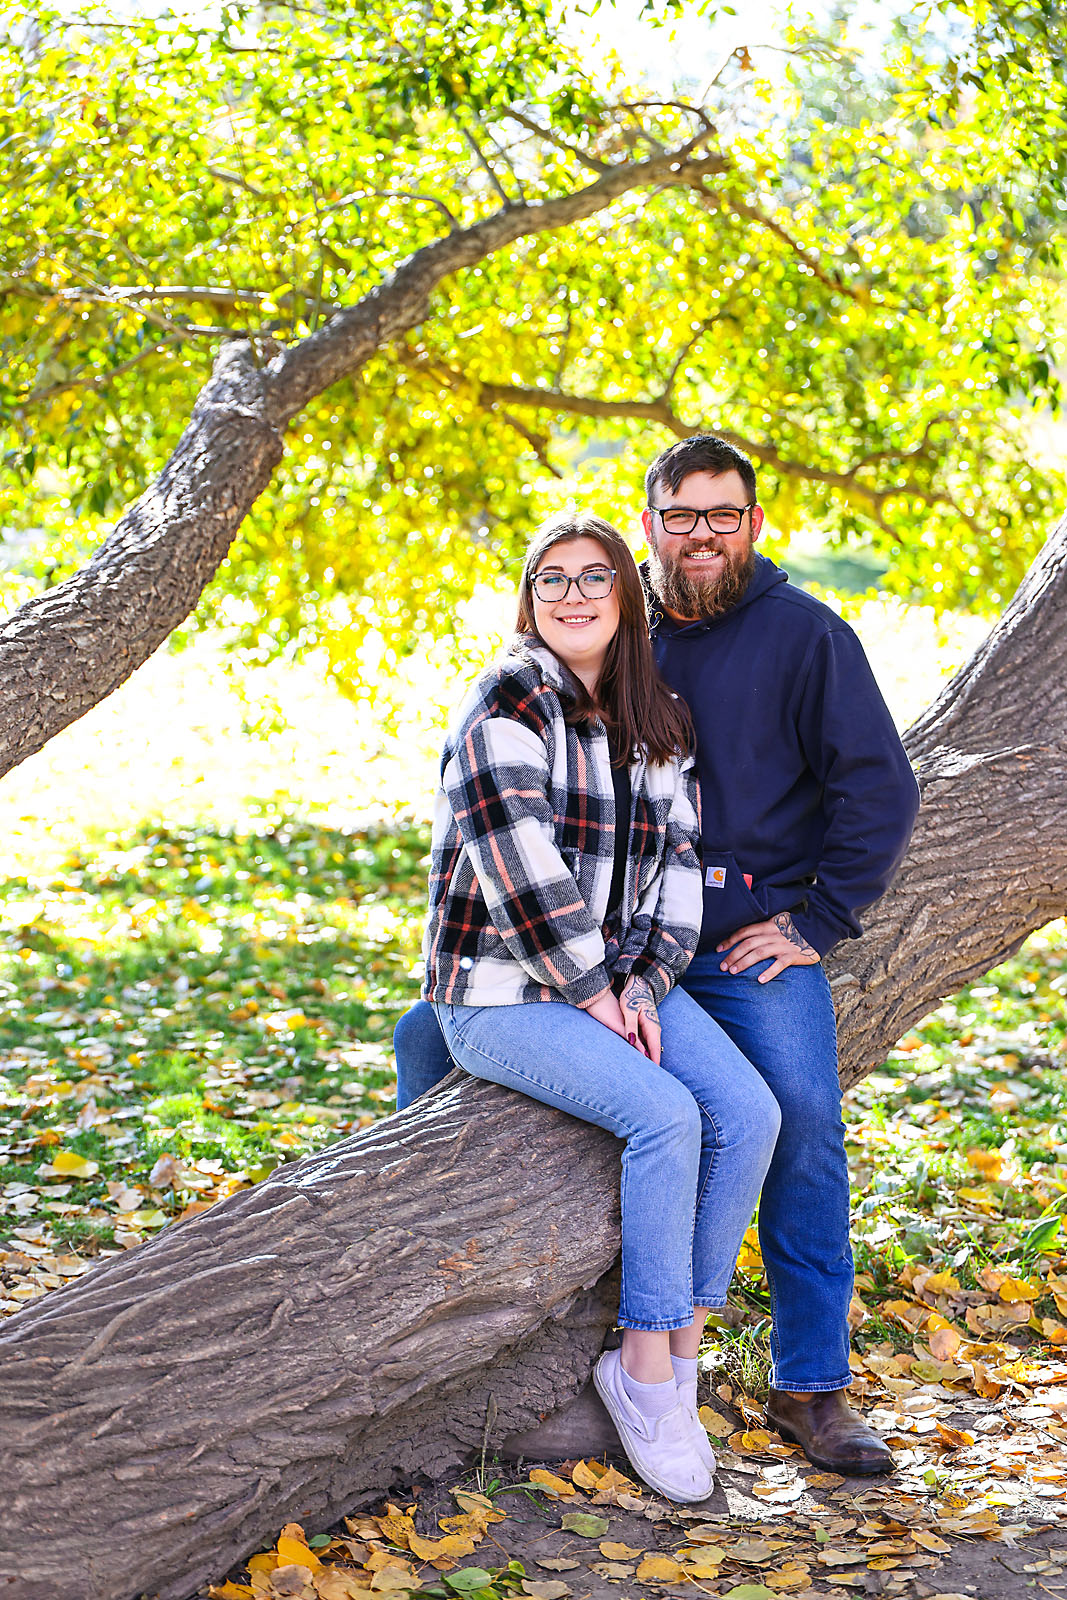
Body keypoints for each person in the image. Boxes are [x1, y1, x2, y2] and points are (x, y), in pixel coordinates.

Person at [394, 438, 920, 1477]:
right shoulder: (583, 650)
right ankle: (436, 1223)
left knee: (792, 1119)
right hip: (580, 955)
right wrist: (594, 989)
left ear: (752, 524)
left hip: (731, 946)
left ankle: (804, 1381)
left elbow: (877, 791)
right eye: (679, 515)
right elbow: (517, 852)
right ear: (651, 525)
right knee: (434, 1032)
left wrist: (814, 924)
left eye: (721, 515)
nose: (700, 536)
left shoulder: (801, 637)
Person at [418, 510, 781, 1503]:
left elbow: (674, 873)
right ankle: (644, 1366)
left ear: (624, 594)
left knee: (748, 1114)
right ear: (529, 600)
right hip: (500, 991)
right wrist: (589, 990)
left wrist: (642, 983)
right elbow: (516, 869)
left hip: (611, 984)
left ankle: (673, 1350)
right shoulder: (503, 706)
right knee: (663, 1115)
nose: (571, 595)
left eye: (592, 577)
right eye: (550, 580)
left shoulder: (653, 715)